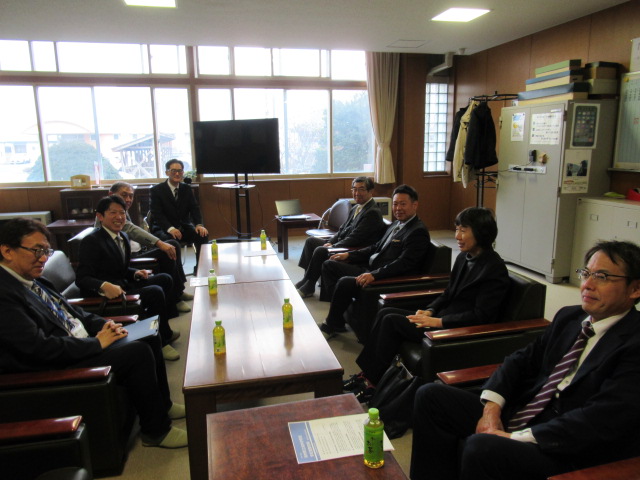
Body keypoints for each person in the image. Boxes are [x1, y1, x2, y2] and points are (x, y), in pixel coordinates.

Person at [410, 240, 640, 480]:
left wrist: (514, 438)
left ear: (635, 289)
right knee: (431, 396)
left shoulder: (634, 344)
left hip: (567, 446)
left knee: (483, 449)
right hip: (527, 410)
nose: (587, 285)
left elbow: (601, 420)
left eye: (602, 277)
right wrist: (491, 409)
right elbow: (520, 360)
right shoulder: (569, 317)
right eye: (586, 273)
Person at [0, 218, 187, 448]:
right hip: (60, 362)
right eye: (37, 250)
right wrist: (97, 344)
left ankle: (163, 405)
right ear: (7, 251)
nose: (43, 258)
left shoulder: (34, 279)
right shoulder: (5, 294)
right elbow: (39, 348)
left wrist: (106, 324)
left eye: (46, 251)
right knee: (137, 352)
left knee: (147, 331)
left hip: (83, 341)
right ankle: (156, 431)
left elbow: (74, 313)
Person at [345, 207, 510, 398]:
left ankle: (371, 383)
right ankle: (366, 375)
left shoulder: (494, 269)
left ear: (481, 232)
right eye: (456, 229)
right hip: (441, 318)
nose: (457, 236)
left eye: (463, 230)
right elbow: (448, 293)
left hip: (456, 329)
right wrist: (430, 310)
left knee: (391, 321)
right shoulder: (464, 258)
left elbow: (482, 316)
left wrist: (439, 322)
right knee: (385, 312)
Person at [76, 195, 180, 361]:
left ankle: (163, 330)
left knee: (164, 279)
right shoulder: (92, 241)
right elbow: (82, 278)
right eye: (113, 213)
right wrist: (103, 285)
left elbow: (119, 267)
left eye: (122, 213)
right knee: (154, 291)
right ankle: (161, 341)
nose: (119, 217)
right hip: (108, 296)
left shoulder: (122, 236)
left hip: (124, 284)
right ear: (100, 216)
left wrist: (134, 273)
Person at [318, 184, 431, 336]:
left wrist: (374, 275)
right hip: (371, 268)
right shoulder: (397, 224)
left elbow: (403, 264)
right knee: (330, 265)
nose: (398, 208)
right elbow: (376, 246)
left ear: (414, 205)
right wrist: (349, 255)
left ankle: (332, 323)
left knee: (345, 282)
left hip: (386, 278)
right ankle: (339, 315)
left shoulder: (417, 231)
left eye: (403, 204)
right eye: (395, 204)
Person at [105, 181, 192, 313]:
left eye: (131, 196)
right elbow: (131, 229)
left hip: (136, 252)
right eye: (124, 195)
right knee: (165, 251)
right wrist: (159, 243)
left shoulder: (122, 210)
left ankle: (178, 290)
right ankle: (176, 297)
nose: (128, 199)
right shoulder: (108, 214)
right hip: (127, 260)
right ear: (111, 194)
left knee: (172, 244)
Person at [295, 176, 386, 298]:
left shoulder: (372, 212)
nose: (357, 193)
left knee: (321, 250)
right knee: (311, 241)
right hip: (345, 243)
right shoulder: (356, 207)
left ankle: (309, 285)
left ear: (371, 191)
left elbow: (356, 238)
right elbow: (343, 229)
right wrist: (331, 242)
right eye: (354, 189)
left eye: (361, 189)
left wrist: (334, 246)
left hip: (355, 249)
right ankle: (306, 279)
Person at [149, 159, 209, 271]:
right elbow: (157, 214)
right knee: (171, 241)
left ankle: (201, 269)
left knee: (202, 234)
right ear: (167, 172)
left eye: (180, 171)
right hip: (164, 229)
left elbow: (194, 208)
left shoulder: (186, 189)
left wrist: (199, 225)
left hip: (184, 227)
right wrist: (170, 228)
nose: (177, 174)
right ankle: (177, 273)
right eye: (173, 171)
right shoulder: (157, 190)